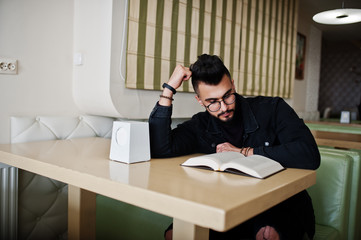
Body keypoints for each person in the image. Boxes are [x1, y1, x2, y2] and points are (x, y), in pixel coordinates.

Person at [148, 54, 320, 240]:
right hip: (225, 206)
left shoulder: (273, 109)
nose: (223, 107)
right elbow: (161, 148)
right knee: (175, 234)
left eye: (228, 96)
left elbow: (309, 155)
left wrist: (245, 152)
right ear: (200, 101)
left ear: (233, 85)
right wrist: (169, 89)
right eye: (212, 102)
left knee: (267, 235)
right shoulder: (200, 125)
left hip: (278, 206)